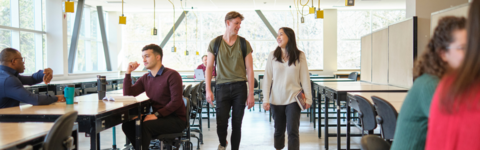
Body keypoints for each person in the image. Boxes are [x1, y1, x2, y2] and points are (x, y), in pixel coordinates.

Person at [390, 16, 466, 150]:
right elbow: (462, 128)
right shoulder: (431, 85)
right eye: (462, 48)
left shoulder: (445, 82)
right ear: (443, 53)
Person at [425, 1, 480, 149]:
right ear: (443, 54)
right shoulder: (436, 85)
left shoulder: (448, 84)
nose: (465, 55)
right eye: (461, 48)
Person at [204, 11, 255, 150]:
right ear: (228, 23)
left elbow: (250, 69)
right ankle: (222, 143)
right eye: (236, 23)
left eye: (240, 23)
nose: (239, 26)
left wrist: (251, 93)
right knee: (221, 123)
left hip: (240, 87)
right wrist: (208, 89)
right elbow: (208, 68)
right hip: (221, 87)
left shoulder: (244, 43)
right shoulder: (215, 43)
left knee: (237, 123)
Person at [122, 44, 186, 150]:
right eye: (143, 57)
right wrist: (128, 73)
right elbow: (129, 95)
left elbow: (176, 101)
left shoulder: (172, 75)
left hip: (175, 119)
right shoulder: (146, 78)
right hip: (160, 117)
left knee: (146, 125)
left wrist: (156, 114)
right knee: (128, 125)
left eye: (147, 56)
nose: (144, 60)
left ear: (158, 57)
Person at [262, 27, 312, 150]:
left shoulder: (300, 55)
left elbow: (305, 78)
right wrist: (265, 99)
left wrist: (309, 99)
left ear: (289, 37)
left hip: (294, 99)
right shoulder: (272, 55)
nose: (278, 37)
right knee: (279, 131)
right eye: (277, 35)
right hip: (276, 99)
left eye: (281, 34)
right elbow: (267, 78)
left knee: (293, 131)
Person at [0, 48, 65, 108]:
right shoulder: (8, 80)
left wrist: (45, 73)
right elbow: (35, 100)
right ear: (13, 61)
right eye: (21, 59)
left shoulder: (6, 75)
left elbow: (32, 79)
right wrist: (56, 98)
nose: (23, 62)